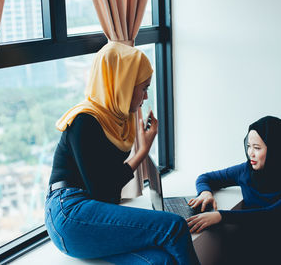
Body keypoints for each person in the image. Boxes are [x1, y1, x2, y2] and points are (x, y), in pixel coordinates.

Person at [45, 41, 200, 265]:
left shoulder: (117, 120)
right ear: (124, 84)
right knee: (174, 226)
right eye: (143, 88)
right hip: (69, 213)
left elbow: (107, 189)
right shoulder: (85, 121)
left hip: (86, 214)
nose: (146, 97)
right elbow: (104, 192)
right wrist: (143, 151)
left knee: (160, 261)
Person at [187, 116, 281, 265]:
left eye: (257, 148)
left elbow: (273, 215)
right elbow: (206, 177)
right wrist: (205, 193)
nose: (250, 153)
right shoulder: (246, 170)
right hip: (256, 250)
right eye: (249, 146)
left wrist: (221, 216)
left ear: (276, 149)